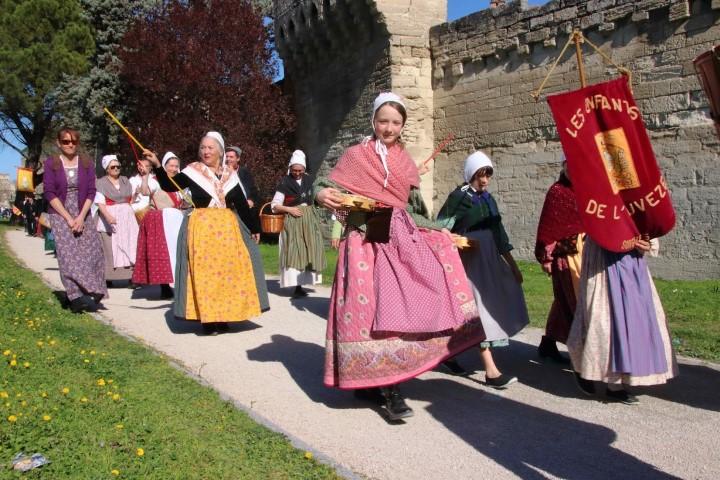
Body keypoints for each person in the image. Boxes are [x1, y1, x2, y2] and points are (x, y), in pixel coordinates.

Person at [315, 92, 484, 421]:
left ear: (402, 125)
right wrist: (321, 193)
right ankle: (368, 380)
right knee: (365, 312)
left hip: (398, 239)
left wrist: (439, 232)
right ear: (373, 121)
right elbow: (322, 183)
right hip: (362, 241)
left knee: (397, 308)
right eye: (383, 121)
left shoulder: (405, 162)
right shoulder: (355, 155)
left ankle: (391, 386)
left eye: (395, 122)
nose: (388, 127)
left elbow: (415, 211)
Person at [143, 132, 269, 335]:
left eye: (210, 147)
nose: (206, 151)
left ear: (220, 150)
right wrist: (158, 165)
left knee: (227, 274)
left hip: (227, 230)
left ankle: (225, 315)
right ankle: (209, 320)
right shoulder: (193, 171)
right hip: (203, 229)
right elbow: (169, 185)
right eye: (203, 147)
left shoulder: (230, 175)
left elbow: (241, 205)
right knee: (206, 275)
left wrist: (254, 228)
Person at [436, 151, 529, 389]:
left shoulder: (488, 199)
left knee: (494, 302)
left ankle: (448, 354)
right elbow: (440, 228)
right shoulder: (459, 196)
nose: (484, 179)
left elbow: (499, 234)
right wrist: (459, 240)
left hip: (489, 258)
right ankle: (491, 370)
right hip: (469, 260)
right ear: (471, 174)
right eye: (480, 174)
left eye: (487, 174)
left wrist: (513, 265)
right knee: (478, 310)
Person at [567, 233, 677, 404]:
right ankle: (584, 366)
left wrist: (648, 239)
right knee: (602, 320)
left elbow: (647, 212)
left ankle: (617, 382)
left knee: (632, 320)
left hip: (630, 258)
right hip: (601, 258)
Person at [43, 127, 106, 312]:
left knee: (93, 252)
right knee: (67, 255)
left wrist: (80, 217)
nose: (70, 145)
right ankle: (75, 296)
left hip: (82, 211)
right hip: (60, 212)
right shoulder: (51, 163)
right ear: (59, 143)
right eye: (66, 141)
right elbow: (49, 192)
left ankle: (94, 288)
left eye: (73, 141)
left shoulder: (86, 163)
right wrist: (69, 219)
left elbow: (91, 191)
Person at [534, 159, 584, 363]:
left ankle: (548, 342)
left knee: (565, 301)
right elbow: (548, 226)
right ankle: (581, 355)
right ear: (565, 166)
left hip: (587, 254)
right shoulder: (557, 191)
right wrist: (546, 257)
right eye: (571, 165)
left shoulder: (587, 190)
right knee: (576, 303)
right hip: (565, 256)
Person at [132, 152, 188, 299]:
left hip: (176, 219)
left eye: (176, 166)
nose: (174, 169)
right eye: (171, 166)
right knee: (163, 252)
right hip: (161, 219)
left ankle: (177, 284)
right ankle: (164, 286)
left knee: (176, 252)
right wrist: (145, 177)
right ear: (164, 166)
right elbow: (145, 191)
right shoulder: (156, 181)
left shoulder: (179, 183)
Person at [270, 150, 325, 297]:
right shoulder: (285, 182)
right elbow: (274, 205)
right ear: (290, 168)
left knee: (309, 250)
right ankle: (295, 285)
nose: (297, 173)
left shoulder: (310, 181)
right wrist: (289, 209)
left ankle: (302, 284)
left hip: (308, 221)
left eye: (300, 170)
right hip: (292, 222)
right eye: (294, 170)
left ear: (304, 169)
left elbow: (317, 199)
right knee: (294, 251)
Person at [94, 154, 139, 287]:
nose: (116, 169)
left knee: (130, 245)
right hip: (110, 215)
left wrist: (135, 196)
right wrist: (108, 216)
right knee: (110, 247)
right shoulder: (101, 183)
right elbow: (100, 202)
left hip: (126, 217)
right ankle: (108, 277)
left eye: (118, 166)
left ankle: (133, 276)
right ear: (107, 169)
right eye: (112, 167)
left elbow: (130, 200)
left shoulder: (125, 180)